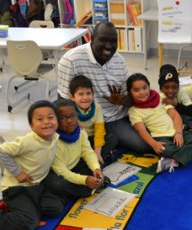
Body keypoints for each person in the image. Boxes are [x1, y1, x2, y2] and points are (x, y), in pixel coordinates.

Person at [57, 21, 151, 154]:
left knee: (146, 145)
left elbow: (131, 101)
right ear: (92, 39)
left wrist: (120, 100)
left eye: (113, 41)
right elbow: (62, 101)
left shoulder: (119, 61)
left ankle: (107, 142)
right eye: (103, 40)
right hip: (85, 122)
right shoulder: (70, 61)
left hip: (115, 119)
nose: (109, 46)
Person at [0, 100, 65, 230]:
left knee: (56, 208)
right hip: (17, 188)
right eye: (39, 119)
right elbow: (1, 150)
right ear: (31, 125)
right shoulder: (27, 141)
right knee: (30, 223)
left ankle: (15, 207)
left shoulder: (55, 137)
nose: (46, 122)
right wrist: (18, 173)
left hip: (37, 186)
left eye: (50, 117)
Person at [127, 73, 192, 174]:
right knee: (166, 150)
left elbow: (175, 116)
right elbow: (141, 130)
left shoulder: (160, 98)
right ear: (130, 92)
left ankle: (172, 161)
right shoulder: (134, 111)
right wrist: (153, 143)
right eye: (136, 90)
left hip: (178, 131)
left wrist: (179, 133)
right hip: (161, 137)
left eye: (145, 88)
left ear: (149, 86)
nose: (142, 92)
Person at [45, 98, 108, 200]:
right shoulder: (51, 141)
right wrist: (85, 180)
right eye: (62, 118)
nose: (69, 121)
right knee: (56, 184)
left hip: (75, 165)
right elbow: (62, 171)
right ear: (54, 120)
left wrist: (95, 168)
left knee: (97, 163)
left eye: (73, 116)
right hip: (57, 173)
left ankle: (88, 185)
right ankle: (87, 189)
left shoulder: (81, 132)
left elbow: (87, 152)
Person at [67, 75, 110, 164]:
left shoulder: (97, 107)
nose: (85, 97)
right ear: (72, 97)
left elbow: (99, 130)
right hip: (78, 139)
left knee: (112, 138)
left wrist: (97, 152)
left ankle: (94, 156)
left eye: (88, 93)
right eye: (81, 94)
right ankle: (86, 158)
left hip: (91, 138)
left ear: (93, 94)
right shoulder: (69, 109)